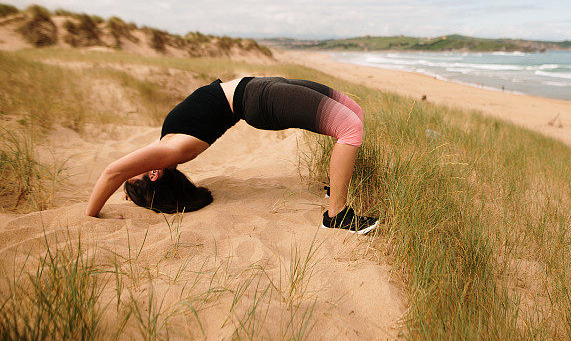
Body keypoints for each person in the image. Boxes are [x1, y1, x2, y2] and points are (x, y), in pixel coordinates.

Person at [85, 76, 379, 234]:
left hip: (259, 86)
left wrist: (133, 191)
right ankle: (337, 216)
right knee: (349, 127)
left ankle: (335, 188)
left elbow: (125, 174)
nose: (133, 162)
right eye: (138, 172)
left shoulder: (168, 145)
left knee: (354, 111)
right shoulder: (174, 149)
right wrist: (92, 213)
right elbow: (113, 171)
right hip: (258, 100)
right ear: (153, 172)